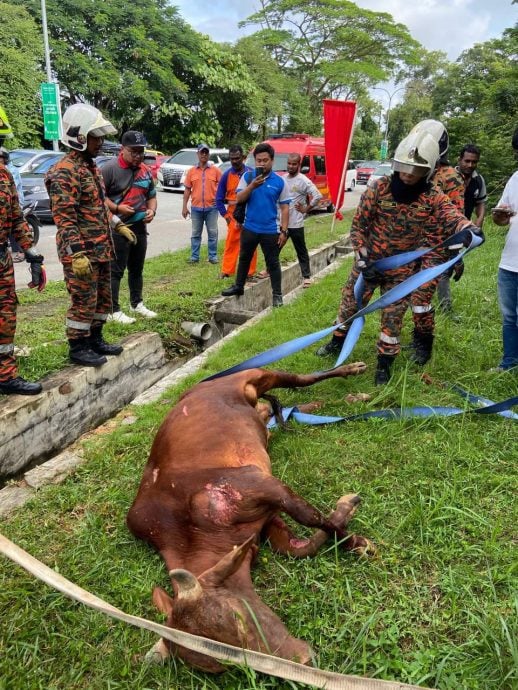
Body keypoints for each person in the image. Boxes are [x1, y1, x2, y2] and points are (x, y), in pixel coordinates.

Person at [316, 129, 481, 385]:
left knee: (392, 319)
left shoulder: (431, 196)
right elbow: (359, 226)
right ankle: (336, 342)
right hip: (369, 263)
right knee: (349, 305)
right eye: (404, 167)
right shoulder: (378, 189)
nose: (407, 174)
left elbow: (452, 216)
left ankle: (384, 365)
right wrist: (362, 259)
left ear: (426, 170)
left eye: (415, 170)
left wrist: (469, 230)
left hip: (402, 271)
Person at [46, 103, 127, 367]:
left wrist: (116, 223)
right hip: (82, 252)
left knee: (102, 298)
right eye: (96, 136)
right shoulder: (64, 171)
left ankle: (95, 338)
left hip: (101, 248)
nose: (101, 142)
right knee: (83, 299)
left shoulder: (90, 167)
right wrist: (76, 254)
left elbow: (98, 205)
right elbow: (64, 217)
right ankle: (78, 346)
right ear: (79, 136)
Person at [405, 119, 465, 364]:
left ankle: (423, 346)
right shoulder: (415, 171)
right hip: (411, 249)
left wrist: (456, 256)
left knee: (421, 300)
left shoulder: (451, 177)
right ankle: (416, 336)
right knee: (410, 298)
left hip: (435, 250)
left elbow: (456, 216)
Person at [0, 108, 45, 395]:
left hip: (2, 260)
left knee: (5, 316)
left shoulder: (4, 175)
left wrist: (30, 252)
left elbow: (17, 218)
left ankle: (5, 375)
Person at [222, 143, 290, 307]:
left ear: (272, 161)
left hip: (270, 230)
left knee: (272, 262)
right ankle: (239, 286)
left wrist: (284, 231)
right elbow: (239, 199)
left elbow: (285, 207)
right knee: (244, 257)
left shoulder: (280, 182)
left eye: (265, 160)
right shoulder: (247, 177)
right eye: (258, 160)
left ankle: (277, 295)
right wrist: (252, 186)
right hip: (250, 227)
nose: (261, 164)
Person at [102, 130, 157, 324]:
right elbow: (100, 197)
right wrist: (117, 208)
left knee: (137, 268)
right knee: (116, 270)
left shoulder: (145, 170)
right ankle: (113, 309)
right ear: (122, 149)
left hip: (140, 227)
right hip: (118, 228)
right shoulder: (109, 169)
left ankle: (137, 303)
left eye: (141, 151)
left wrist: (152, 211)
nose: (138, 156)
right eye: (133, 151)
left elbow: (151, 195)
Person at [436, 144, 488, 313]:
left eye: (474, 162)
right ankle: (444, 308)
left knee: (449, 266)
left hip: (463, 229)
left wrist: (478, 221)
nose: (470, 165)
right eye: (467, 161)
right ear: (460, 159)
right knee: (445, 266)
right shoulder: (447, 176)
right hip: (443, 228)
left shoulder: (478, 180)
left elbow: (481, 203)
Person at [490, 129, 518, 371]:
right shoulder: (515, 178)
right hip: (510, 262)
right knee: (510, 317)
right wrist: (499, 216)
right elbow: (502, 220)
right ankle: (509, 363)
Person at [215, 145, 257, 280]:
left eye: (237, 158)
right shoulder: (226, 175)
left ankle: (249, 273)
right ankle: (227, 271)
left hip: (249, 215)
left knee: (250, 244)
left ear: (243, 157)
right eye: (232, 159)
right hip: (233, 216)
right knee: (231, 244)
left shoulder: (251, 173)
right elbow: (218, 199)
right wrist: (226, 216)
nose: (234, 161)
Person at [284, 152, 322, 287]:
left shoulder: (303, 180)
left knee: (301, 250)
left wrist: (306, 209)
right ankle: (268, 270)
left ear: (299, 165)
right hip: (282, 222)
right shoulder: (283, 179)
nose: (291, 166)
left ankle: (306, 277)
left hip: (296, 223)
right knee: (274, 248)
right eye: (289, 163)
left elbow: (317, 195)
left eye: (294, 164)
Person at [182, 144, 222, 264]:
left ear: (209, 154)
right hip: (196, 208)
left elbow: (222, 187)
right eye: (201, 152)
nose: (204, 154)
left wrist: (219, 199)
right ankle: (194, 257)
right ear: (198, 154)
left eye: (206, 152)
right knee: (195, 234)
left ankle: (213, 257)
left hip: (212, 208)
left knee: (213, 233)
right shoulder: (191, 171)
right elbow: (187, 189)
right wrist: (184, 207)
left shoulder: (216, 170)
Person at [0, 147, 25, 262]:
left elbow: (17, 218)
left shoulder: (8, 173)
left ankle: (20, 252)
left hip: (3, 254)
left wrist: (31, 251)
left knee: (12, 230)